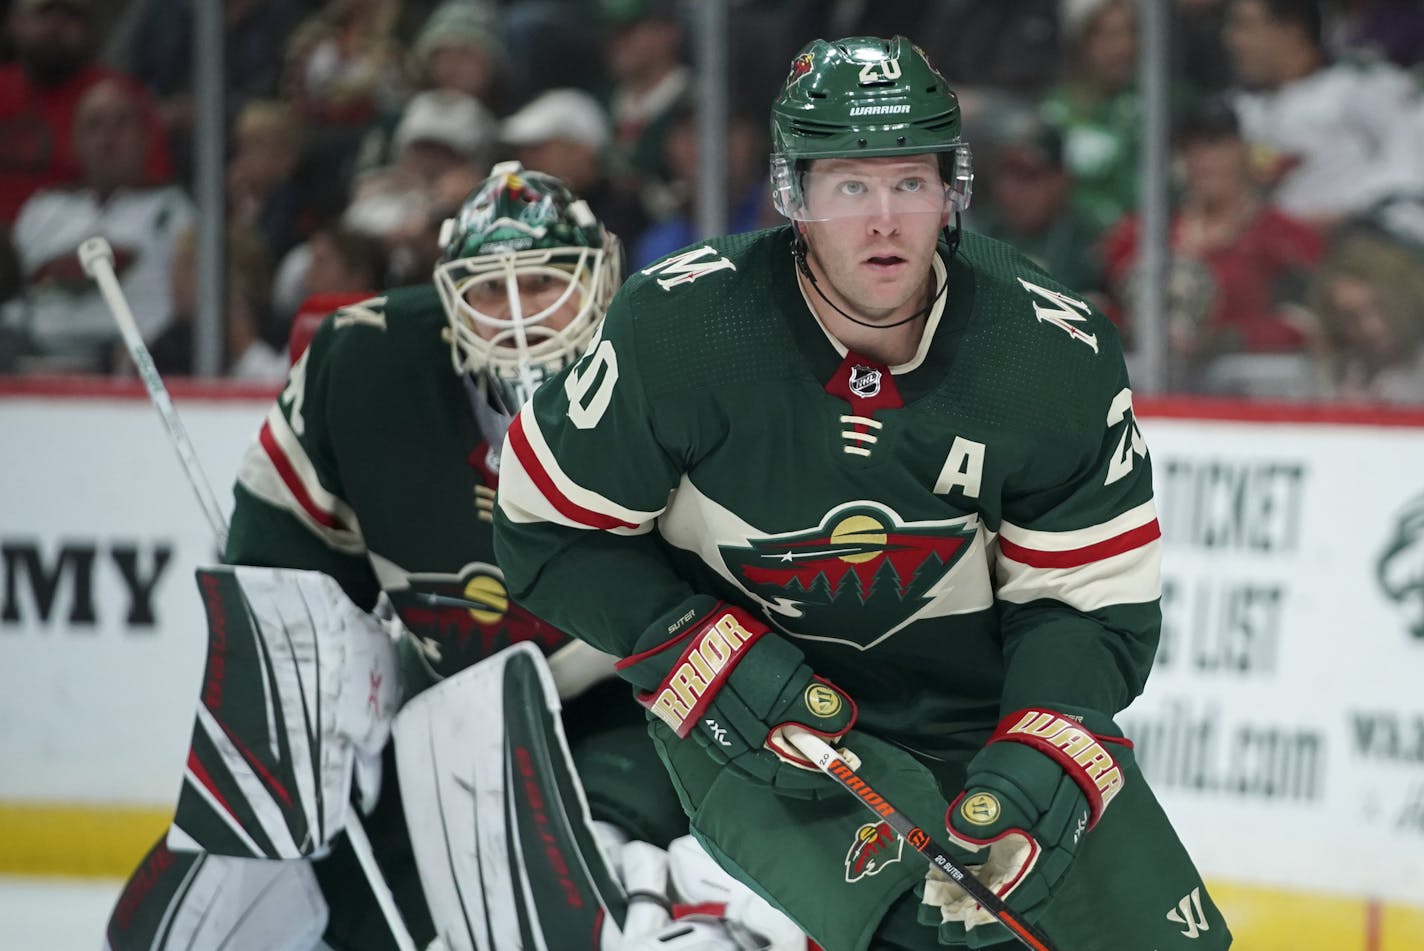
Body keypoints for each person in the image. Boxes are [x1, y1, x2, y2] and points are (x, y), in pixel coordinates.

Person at [493, 36, 1233, 951]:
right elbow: (543, 530)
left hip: (982, 705)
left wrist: (1041, 752)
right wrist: (693, 645)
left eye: (910, 182)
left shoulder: (1050, 354)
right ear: (794, 197)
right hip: (766, 712)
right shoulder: (681, 331)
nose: (884, 220)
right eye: (850, 186)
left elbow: (1088, 607)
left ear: (951, 189)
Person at [103, 164, 691, 951]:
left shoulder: (680, 371)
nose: (518, 318)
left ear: (602, 283)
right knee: (237, 911)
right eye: (489, 289)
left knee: (588, 892)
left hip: (636, 709)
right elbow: (286, 548)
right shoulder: (366, 365)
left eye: (547, 282)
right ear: (451, 299)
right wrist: (309, 689)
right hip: (445, 706)